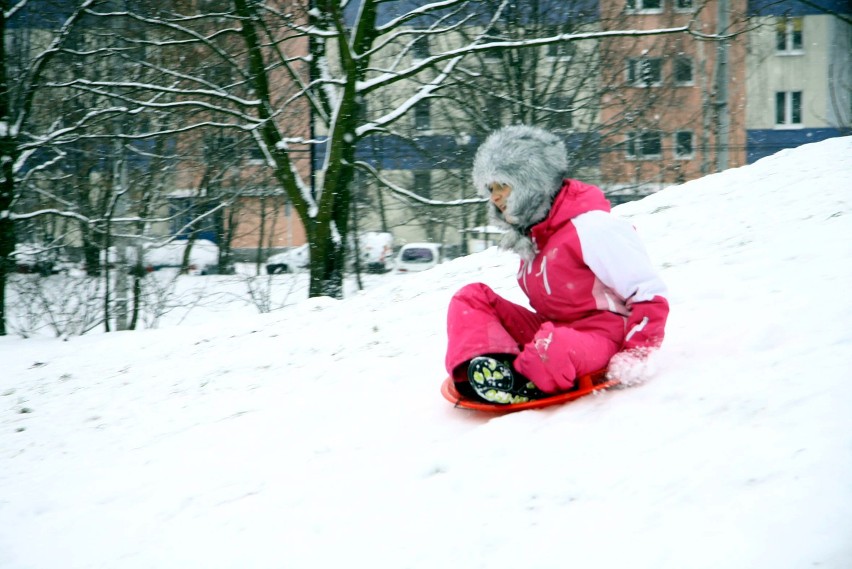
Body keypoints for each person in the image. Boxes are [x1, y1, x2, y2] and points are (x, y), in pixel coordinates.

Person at [445, 125, 669, 404]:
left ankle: (520, 380)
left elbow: (649, 294)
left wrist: (636, 355)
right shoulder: (536, 233)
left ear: (532, 182)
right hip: (551, 331)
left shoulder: (592, 227)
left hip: (601, 337)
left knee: (553, 345)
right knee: (471, 298)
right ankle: (489, 370)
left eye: (503, 185)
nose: (495, 197)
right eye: (490, 188)